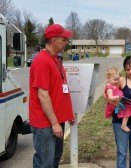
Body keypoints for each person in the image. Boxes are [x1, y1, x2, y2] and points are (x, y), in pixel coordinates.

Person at [29, 24, 75, 168]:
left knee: (55, 159)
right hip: (46, 123)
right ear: (54, 40)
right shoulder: (42, 61)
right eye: (64, 39)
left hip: (56, 120)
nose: (67, 42)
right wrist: (54, 123)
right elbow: (43, 95)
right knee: (45, 163)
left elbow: (60, 90)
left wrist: (68, 114)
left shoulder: (55, 59)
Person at [104, 67, 131, 132]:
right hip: (115, 103)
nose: (116, 81)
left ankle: (124, 124)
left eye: (117, 79)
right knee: (127, 109)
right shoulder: (109, 87)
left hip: (118, 102)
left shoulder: (113, 85)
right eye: (115, 79)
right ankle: (123, 125)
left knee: (129, 107)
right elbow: (110, 97)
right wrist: (116, 97)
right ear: (108, 78)